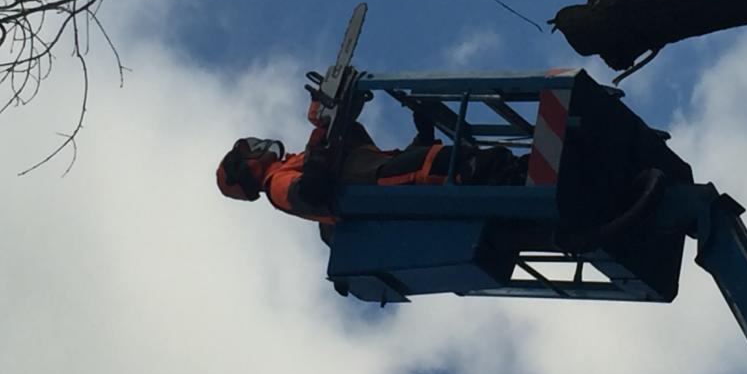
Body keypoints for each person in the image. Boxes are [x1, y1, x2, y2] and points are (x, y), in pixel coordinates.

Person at [215, 110, 526, 226]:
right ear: (245, 171)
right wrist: (319, 146)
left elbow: (384, 162)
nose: (257, 148)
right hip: (367, 187)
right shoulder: (276, 185)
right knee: (442, 163)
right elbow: (311, 191)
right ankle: (516, 178)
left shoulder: (296, 162)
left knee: (437, 160)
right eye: (249, 152)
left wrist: (423, 136)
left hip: (375, 176)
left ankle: (516, 172)